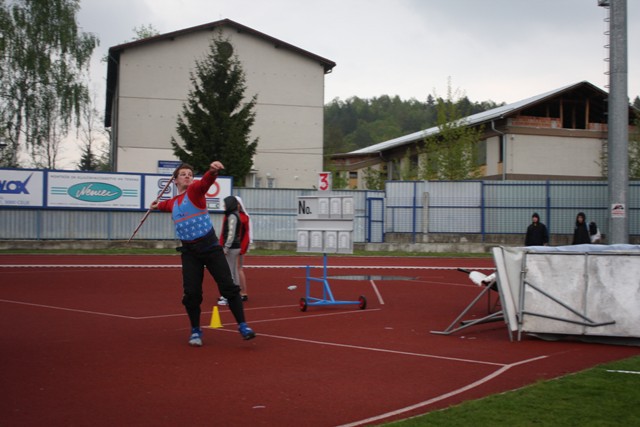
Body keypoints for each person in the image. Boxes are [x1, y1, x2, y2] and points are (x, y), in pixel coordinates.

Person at [150, 161, 255, 346]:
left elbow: (205, 182)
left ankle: (243, 326)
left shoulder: (195, 191)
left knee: (228, 288)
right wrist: (155, 206)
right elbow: (165, 205)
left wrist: (212, 172)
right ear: (175, 181)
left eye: (190, 173)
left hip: (210, 249)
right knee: (191, 294)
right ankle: (196, 331)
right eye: (183, 174)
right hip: (190, 253)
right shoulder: (172, 203)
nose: (188, 176)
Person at [217, 195, 249, 304]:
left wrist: (226, 247)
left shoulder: (232, 216)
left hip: (232, 247)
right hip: (235, 247)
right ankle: (235, 294)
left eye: (225, 204)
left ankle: (230, 296)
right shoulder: (234, 215)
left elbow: (230, 234)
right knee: (234, 271)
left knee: (230, 272)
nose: (224, 206)